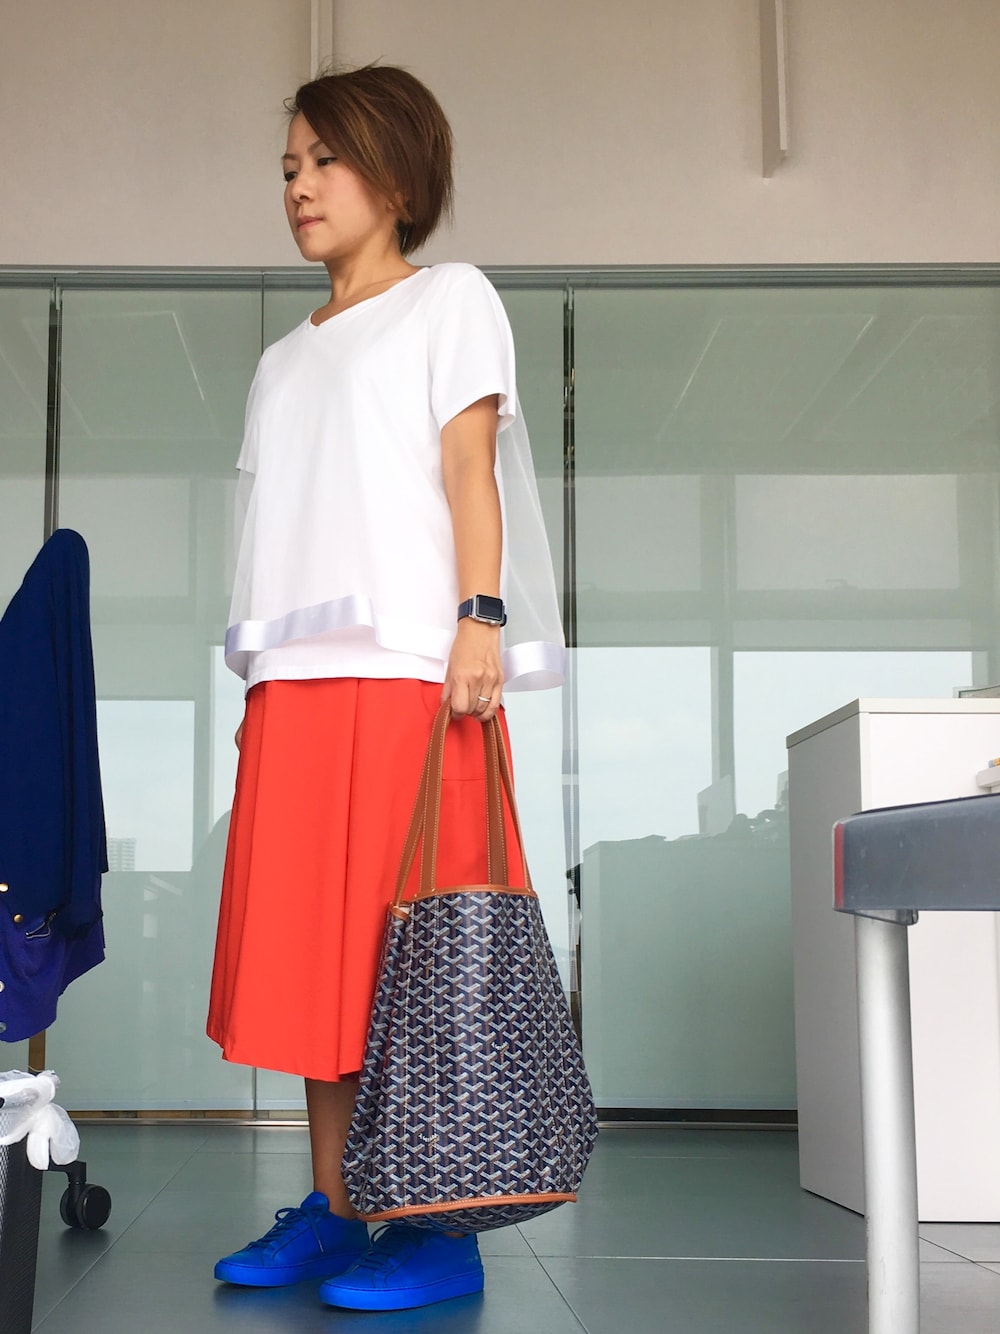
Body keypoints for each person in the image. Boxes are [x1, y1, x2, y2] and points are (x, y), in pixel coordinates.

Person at [206, 63, 564, 1313]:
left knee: (421, 960)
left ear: (398, 176)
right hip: (299, 685)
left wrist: (480, 615)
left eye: (326, 161)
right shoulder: (279, 359)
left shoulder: (449, 299)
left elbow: (469, 470)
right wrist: (261, 682)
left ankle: (438, 1227)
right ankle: (337, 1204)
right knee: (317, 960)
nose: (299, 186)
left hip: (415, 675)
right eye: (289, 167)